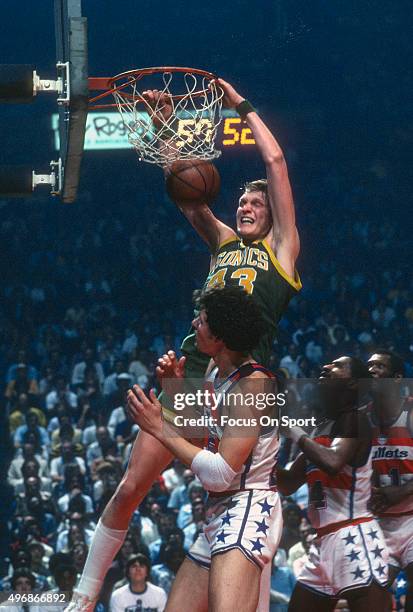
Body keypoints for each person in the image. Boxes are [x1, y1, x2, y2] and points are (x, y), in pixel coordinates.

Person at [65, 77, 301, 611]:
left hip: (243, 383)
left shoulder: (282, 255)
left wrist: (239, 102)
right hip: (196, 372)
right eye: (239, 201)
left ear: (272, 219)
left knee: (233, 487)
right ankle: (82, 597)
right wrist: (163, 123)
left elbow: (278, 163)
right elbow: (187, 192)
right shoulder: (222, 242)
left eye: (253, 205)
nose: (243, 207)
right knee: (131, 487)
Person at [127, 286, 283, 611]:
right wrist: (176, 386)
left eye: (203, 320)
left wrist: (159, 428)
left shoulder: (253, 385)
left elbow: (220, 473)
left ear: (221, 336)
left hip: (247, 507)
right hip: (219, 512)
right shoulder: (215, 372)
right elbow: (200, 437)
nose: (195, 324)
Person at [277, 356, 392, 611]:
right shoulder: (320, 431)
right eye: (328, 363)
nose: (326, 366)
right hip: (323, 543)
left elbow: (333, 462)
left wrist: (294, 431)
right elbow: (287, 484)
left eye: (337, 365)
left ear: (353, 384)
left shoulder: (355, 419)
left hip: (354, 536)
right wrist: (254, 457)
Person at [367, 350, 413, 610]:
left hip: (412, 517)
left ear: (396, 378)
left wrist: (402, 491)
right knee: (372, 599)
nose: (371, 370)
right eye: (368, 366)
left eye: (379, 366)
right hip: (380, 522)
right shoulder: (363, 416)